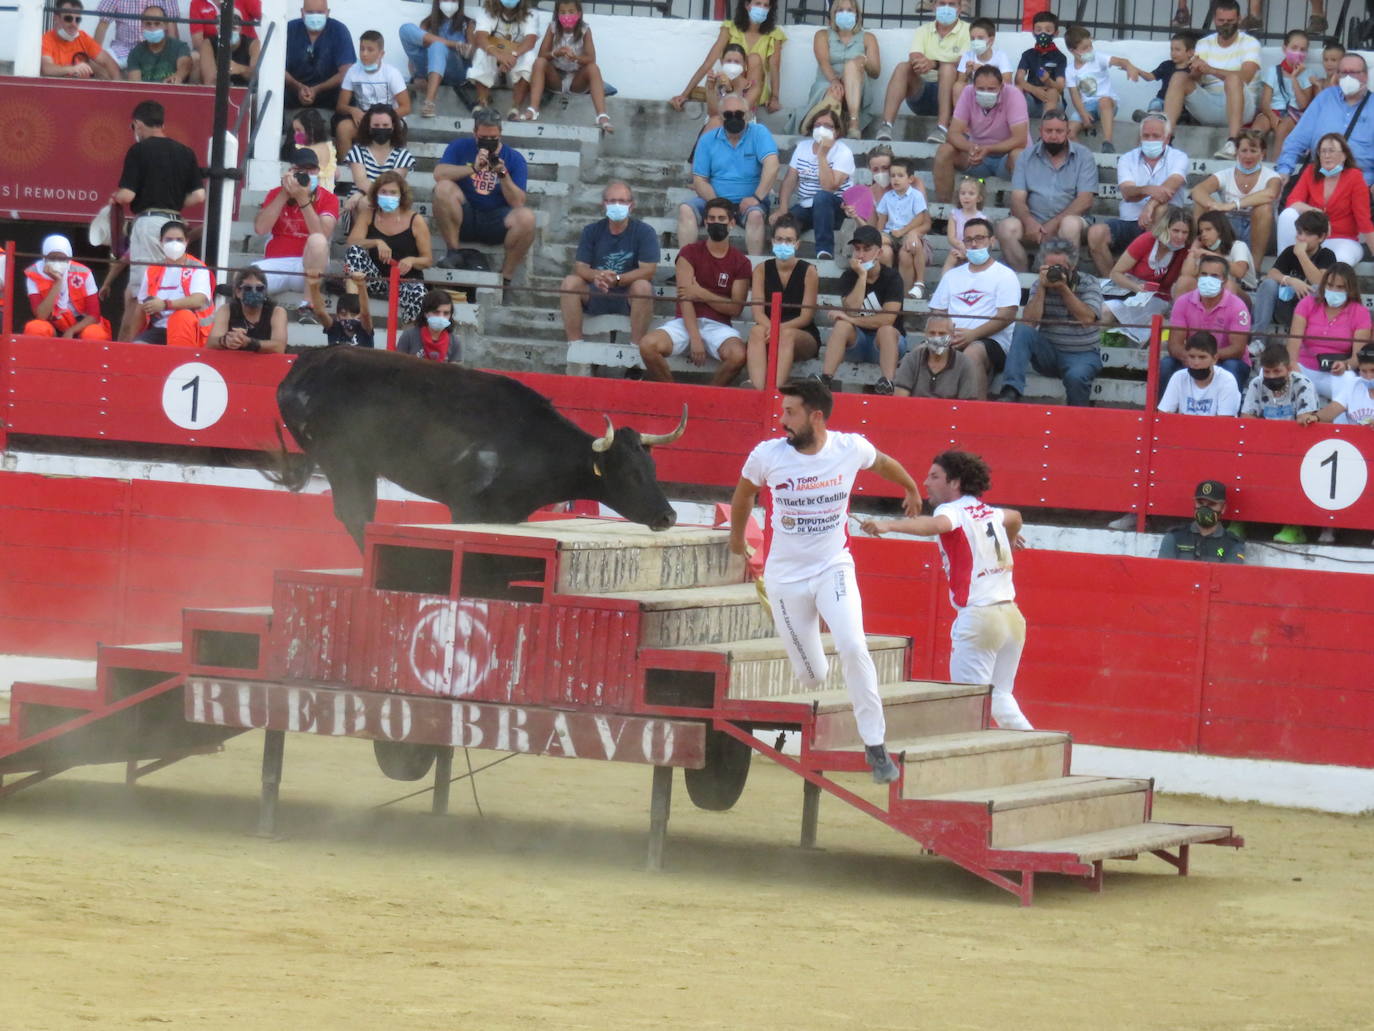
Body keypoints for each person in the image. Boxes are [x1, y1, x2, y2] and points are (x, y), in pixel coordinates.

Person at [730, 379, 922, 783]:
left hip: (833, 566)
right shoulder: (768, 455)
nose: (782, 420)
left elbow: (883, 462)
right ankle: (794, 630)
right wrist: (736, 540)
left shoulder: (848, 448)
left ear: (816, 416)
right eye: (783, 412)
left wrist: (910, 487)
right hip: (785, 578)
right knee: (812, 676)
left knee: (854, 645)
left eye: (791, 412)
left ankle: (876, 746)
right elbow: (744, 495)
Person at [861, 449, 1034, 731]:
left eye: (934, 476)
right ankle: (1036, 751)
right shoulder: (988, 511)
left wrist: (888, 524)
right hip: (1012, 617)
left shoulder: (951, 511)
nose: (926, 483)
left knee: (967, 705)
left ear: (955, 483)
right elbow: (1014, 517)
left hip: (980, 619)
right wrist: (1009, 541)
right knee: (1000, 696)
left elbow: (937, 525)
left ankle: (970, 770)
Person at [111, 100, 205, 342]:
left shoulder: (138, 151)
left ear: (138, 124)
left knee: (139, 290)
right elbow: (198, 195)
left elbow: (128, 195)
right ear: (162, 123)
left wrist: (115, 199)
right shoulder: (186, 152)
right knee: (167, 281)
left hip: (149, 221)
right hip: (175, 222)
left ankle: (129, 346)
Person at [639, 198, 751, 385]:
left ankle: (707, 399)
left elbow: (735, 309)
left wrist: (701, 293)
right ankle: (673, 396)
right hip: (684, 321)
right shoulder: (689, 253)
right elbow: (686, 299)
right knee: (647, 345)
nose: (716, 222)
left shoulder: (741, 262)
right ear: (705, 222)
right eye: (712, 218)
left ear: (732, 223)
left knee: (738, 355)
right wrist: (695, 338)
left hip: (719, 326)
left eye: (722, 219)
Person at [432, 107, 536, 292]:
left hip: (497, 218)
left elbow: (518, 202)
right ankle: (453, 252)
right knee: (443, 189)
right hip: (466, 214)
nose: (488, 141)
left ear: (500, 134)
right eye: (483, 137)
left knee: (527, 217)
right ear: (475, 133)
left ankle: (506, 277)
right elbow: (439, 174)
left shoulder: (514, 158)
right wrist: (473, 168)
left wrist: (503, 174)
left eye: (493, 137)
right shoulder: (460, 147)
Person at [998, 236, 1103, 406]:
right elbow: (1030, 322)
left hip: (1081, 354)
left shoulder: (1088, 282)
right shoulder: (1039, 284)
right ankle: (1011, 390)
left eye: (1059, 267)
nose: (1054, 272)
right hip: (1049, 353)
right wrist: (1041, 288)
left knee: (1076, 377)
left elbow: (1087, 318)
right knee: (1022, 330)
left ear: (1072, 266)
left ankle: (1077, 420)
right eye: (1050, 267)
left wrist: (1063, 288)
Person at [560, 180, 660, 356]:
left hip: (628, 295)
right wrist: (598, 276)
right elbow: (581, 267)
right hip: (596, 291)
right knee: (570, 283)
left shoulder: (645, 232)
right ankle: (575, 347)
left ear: (632, 205)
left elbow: (648, 270)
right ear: (604, 204)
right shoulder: (591, 231)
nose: (617, 205)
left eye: (622, 201)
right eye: (612, 201)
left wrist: (618, 280)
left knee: (643, 286)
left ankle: (635, 351)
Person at [995, 110, 1099, 272]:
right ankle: (1023, 281)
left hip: (1072, 222)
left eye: (1059, 131)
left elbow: (1085, 200)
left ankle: (1065, 278)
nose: (1053, 136)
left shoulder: (1083, 156)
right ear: (1041, 132)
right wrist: (1029, 222)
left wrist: (1053, 224)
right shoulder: (1025, 156)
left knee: (1069, 224)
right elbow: (1017, 199)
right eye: (1048, 131)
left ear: (1068, 132)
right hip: (1033, 224)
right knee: (1006, 227)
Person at [1085, 112, 1187, 275]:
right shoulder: (1127, 158)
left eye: (1156, 136)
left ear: (1167, 138)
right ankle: (1113, 280)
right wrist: (1147, 189)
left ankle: (1145, 278)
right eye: (1146, 136)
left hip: (1164, 223)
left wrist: (1149, 205)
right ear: (1140, 138)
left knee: (1160, 211)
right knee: (1096, 233)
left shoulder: (1178, 157)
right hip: (1129, 221)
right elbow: (1127, 192)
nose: (1150, 140)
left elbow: (1171, 185)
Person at [929, 216, 1018, 398]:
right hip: (952, 336)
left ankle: (977, 414)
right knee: (920, 353)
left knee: (973, 353)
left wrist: (973, 335)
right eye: (969, 240)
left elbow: (1007, 315)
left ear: (992, 241)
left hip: (992, 341)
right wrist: (947, 333)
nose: (974, 244)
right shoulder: (952, 276)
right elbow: (937, 312)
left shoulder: (1005, 275)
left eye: (979, 238)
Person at [1162, 0, 1261, 160]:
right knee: (1179, 77)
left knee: (1233, 79)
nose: (1225, 25)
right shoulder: (1204, 43)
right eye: (1221, 21)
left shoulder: (1250, 43)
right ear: (1215, 19)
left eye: (1230, 21)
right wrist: (1195, 71)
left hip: (1242, 107)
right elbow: (1196, 81)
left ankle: (1233, 143)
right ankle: (1166, 139)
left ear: (1239, 19)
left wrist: (1211, 70)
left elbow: (1246, 77)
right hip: (1210, 104)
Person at [680, 96, 778, 256]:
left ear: (747, 115)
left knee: (755, 215)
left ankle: (755, 270)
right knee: (685, 210)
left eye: (739, 114)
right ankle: (684, 265)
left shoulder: (759, 133)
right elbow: (699, 180)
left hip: (750, 202)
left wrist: (756, 198)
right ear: (720, 117)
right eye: (728, 114)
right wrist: (717, 204)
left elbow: (772, 165)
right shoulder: (707, 140)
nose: (734, 118)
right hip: (714, 200)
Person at [818, 225, 906, 393]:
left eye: (866, 249)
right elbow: (852, 309)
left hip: (886, 345)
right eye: (857, 249)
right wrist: (862, 276)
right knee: (841, 326)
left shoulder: (893, 278)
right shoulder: (848, 276)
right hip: (858, 343)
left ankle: (888, 383)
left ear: (879, 253)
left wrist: (850, 319)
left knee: (886, 330)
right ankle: (826, 379)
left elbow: (887, 320)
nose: (860, 255)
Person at [345, 171, 433, 326]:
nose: (388, 196)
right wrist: (376, 242)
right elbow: (352, 242)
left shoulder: (416, 220)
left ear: (401, 195)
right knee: (354, 252)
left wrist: (412, 260)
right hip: (376, 278)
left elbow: (427, 260)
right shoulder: (369, 214)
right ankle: (352, 312)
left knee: (418, 293)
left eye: (393, 193)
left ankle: (411, 340)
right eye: (384, 192)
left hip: (405, 280)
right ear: (376, 193)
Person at [671, 0, 787, 117]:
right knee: (731, 61)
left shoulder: (774, 34)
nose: (762, 8)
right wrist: (685, 94)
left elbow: (774, 67)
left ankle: (743, 109)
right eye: (757, 3)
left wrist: (775, 98)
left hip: (754, 92)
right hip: (729, 87)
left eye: (766, 5)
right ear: (747, 5)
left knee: (754, 59)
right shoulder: (730, 28)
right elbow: (709, 62)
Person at [932, 64, 1029, 202]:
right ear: (974, 87)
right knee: (944, 150)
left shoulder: (1014, 95)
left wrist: (988, 149)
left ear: (1001, 87)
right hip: (976, 156)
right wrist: (970, 148)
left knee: (1018, 155)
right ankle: (942, 211)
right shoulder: (967, 92)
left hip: (1006, 159)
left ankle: (1022, 213)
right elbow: (953, 133)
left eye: (991, 89)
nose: (986, 92)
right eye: (981, 89)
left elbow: (1020, 139)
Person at [1100, 205, 1193, 346]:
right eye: (1175, 231)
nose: (1180, 237)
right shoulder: (1147, 241)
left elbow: (1184, 281)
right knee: (1106, 311)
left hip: (1159, 299)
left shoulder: (1185, 251)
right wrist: (1137, 287)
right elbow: (1115, 273)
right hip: (1130, 292)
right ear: (1165, 228)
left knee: (1158, 324)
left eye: (1185, 232)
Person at [1277, 53, 1374, 189]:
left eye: (1353, 72)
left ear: (1365, 76)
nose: (1347, 77)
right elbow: (1298, 138)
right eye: (1343, 72)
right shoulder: (1325, 98)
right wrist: (1284, 170)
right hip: (1318, 180)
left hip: (1359, 186)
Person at [253, 148, 340, 300]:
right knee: (245, 278)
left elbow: (322, 234)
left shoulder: (329, 199)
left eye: (310, 170)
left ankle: (308, 305)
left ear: (318, 171)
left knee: (318, 241)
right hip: (276, 263)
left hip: (308, 265)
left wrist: (302, 199)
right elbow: (261, 228)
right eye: (300, 170)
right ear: (291, 171)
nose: (306, 174)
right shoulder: (276, 193)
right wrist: (284, 194)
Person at [875, 4, 969, 143]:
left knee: (948, 69)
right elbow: (915, 55)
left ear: (960, 8)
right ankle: (886, 126)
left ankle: (942, 128)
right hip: (922, 93)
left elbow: (964, 63)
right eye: (942, 3)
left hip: (951, 98)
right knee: (903, 67)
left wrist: (934, 63)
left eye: (952, 4)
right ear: (934, 6)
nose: (946, 7)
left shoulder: (968, 30)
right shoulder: (923, 30)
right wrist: (918, 63)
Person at [745, 214, 819, 390]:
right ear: (772, 241)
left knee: (786, 336)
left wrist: (778, 330)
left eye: (789, 240)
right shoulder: (761, 270)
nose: (783, 244)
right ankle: (758, 389)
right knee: (756, 331)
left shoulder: (809, 271)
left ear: (797, 244)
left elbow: (806, 317)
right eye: (779, 239)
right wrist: (772, 329)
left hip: (801, 333)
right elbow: (758, 312)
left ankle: (775, 391)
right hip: (768, 328)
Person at [1278, 132, 1374, 266]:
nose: (1327, 156)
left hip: (1343, 239)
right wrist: (1317, 212)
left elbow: (1363, 219)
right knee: (1287, 214)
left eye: (1331, 151)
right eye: (1323, 151)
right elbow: (1292, 202)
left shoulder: (1355, 177)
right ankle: (1285, 268)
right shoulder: (1311, 171)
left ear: (1344, 156)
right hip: (1312, 238)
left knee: (1336, 266)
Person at [1188, 129, 1280, 264]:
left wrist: (1233, 204)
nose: (1248, 156)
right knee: (1200, 203)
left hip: (1260, 230)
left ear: (1262, 154)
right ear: (1237, 152)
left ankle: (1255, 268)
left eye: (1253, 151)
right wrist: (1213, 205)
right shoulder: (1226, 174)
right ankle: (1197, 256)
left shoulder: (1271, 176)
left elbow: (1270, 194)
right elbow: (1197, 190)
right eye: (1244, 150)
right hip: (1230, 226)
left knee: (1264, 209)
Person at [774, 105, 853, 263]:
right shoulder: (802, 148)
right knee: (785, 222)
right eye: (818, 125)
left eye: (827, 126)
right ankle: (783, 252)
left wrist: (822, 155)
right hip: (807, 206)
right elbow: (790, 179)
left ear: (836, 131)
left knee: (822, 197)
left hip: (835, 208)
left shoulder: (843, 152)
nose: (821, 129)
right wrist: (782, 209)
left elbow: (829, 187)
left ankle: (824, 250)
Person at [1164, 254, 1252, 389]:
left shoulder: (1237, 306)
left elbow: (1237, 349)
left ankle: (1228, 410)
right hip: (1192, 359)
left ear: (1224, 280)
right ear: (1198, 276)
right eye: (1204, 274)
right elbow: (1174, 345)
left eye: (1214, 276)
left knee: (1232, 366)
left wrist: (1207, 358)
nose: (1208, 279)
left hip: (1224, 361)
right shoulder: (1183, 302)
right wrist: (1194, 358)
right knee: (1166, 364)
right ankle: (1162, 410)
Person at [1287, 262, 1371, 401]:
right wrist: (1294, 368)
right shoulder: (1307, 303)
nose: (1333, 291)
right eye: (1330, 286)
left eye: (1340, 287)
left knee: (1351, 384)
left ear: (1350, 289)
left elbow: (1358, 358)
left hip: (1335, 373)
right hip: (1304, 368)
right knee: (1271, 373)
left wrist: (1345, 365)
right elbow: (1293, 344)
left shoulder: (1360, 312)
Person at [525, 0, 613, 132]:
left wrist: (576, 58)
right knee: (539, 63)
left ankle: (602, 116)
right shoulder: (553, 28)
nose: (567, 16)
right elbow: (542, 55)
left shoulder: (585, 30)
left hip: (576, 81)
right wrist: (556, 53)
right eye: (563, 12)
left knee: (593, 68)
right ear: (557, 14)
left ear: (579, 13)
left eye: (571, 12)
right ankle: (533, 110)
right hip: (556, 78)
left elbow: (591, 58)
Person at [803, 0, 880, 139]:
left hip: (857, 85)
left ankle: (853, 123)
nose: (845, 13)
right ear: (833, 14)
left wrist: (863, 61)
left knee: (851, 66)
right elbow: (823, 62)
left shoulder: (868, 38)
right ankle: (834, 128)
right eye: (840, 10)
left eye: (850, 10)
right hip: (828, 80)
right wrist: (835, 81)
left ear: (857, 14)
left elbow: (875, 73)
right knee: (833, 91)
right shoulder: (822, 35)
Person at [1252, 209, 1334, 337]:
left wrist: (1301, 255)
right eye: (1299, 233)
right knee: (1268, 284)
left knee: (1317, 289)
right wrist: (1291, 281)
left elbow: (1320, 282)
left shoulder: (1327, 255)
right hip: (1285, 308)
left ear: (1322, 237)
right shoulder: (1290, 251)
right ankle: (1258, 339)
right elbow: (1271, 274)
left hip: (1310, 315)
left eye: (1307, 234)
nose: (1301, 238)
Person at [134, 220, 215, 347]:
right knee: (138, 348)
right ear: (161, 242)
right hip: (159, 329)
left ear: (186, 241)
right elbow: (140, 307)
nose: (174, 244)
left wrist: (164, 305)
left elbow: (198, 300)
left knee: (181, 318)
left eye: (179, 239)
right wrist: (130, 340)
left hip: (193, 330)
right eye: (169, 240)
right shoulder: (152, 269)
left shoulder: (197, 267)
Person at [335, 30, 411, 155]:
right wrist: (352, 110)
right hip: (364, 120)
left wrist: (381, 117)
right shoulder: (353, 71)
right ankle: (347, 169)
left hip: (389, 121)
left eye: (370, 50)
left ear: (381, 54)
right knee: (343, 128)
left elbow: (406, 108)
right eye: (361, 49)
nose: (364, 54)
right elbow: (340, 106)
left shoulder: (392, 73)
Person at [22, 235, 111, 340]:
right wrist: (57, 282)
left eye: (62, 258)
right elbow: (41, 315)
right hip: (52, 326)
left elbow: (94, 316)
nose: (57, 262)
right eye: (52, 258)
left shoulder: (84, 273)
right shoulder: (34, 273)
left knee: (94, 333)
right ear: (44, 257)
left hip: (80, 326)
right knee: (35, 328)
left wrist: (71, 331)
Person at [400, 0, 474, 119]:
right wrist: (416, 76)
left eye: (453, 0)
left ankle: (429, 102)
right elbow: (414, 56)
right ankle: (451, 43)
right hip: (427, 69)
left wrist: (466, 51)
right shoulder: (427, 23)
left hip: (454, 71)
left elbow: (472, 53)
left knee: (437, 45)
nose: (449, 3)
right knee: (405, 29)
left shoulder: (467, 23)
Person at [342, 104, 415, 222]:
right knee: (366, 202)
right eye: (376, 125)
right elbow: (361, 182)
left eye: (385, 125)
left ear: (393, 127)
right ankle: (362, 237)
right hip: (359, 203)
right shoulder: (358, 150)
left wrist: (360, 194)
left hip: (390, 198)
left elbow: (391, 184)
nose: (381, 128)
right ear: (369, 127)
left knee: (368, 200)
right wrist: (361, 193)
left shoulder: (403, 156)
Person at [468, 0, 539, 114]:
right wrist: (500, 56)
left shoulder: (531, 14)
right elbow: (481, 38)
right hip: (493, 71)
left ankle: (515, 107)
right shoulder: (485, 11)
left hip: (513, 70)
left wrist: (512, 56)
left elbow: (530, 40)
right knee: (481, 52)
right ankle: (482, 101)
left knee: (529, 56)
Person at [284, 0, 356, 113]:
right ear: (302, 13)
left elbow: (347, 71)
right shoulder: (289, 29)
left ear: (328, 12)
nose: (315, 16)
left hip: (330, 103)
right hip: (291, 101)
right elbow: (276, 66)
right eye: (310, 12)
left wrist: (317, 90)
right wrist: (298, 87)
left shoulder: (339, 31)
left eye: (320, 12)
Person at [1252, 30, 1314, 156]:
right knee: (1256, 130)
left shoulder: (1308, 74)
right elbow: (1265, 103)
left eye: (1302, 49)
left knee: (1282, 129)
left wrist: (1294, 78)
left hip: (1294, 114)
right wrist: (1272, 116)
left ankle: (1276, 167)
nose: (1298, 52)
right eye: (1294, 48)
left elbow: (1303, 105)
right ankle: (1252, 164)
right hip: (1273, 111)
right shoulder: (1273, 71)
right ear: (1285, 48)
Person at [873, 158, 930, 295]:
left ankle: (918, 284)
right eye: (892, 176)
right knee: (878, 245)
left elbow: (920, 218)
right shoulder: (887, 197)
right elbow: (882, 219)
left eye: (900, 176)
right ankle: (883, 285)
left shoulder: (916, 196)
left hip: (906, 233)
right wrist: (877, 236)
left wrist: (904, 231)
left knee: (913, 246)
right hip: (890, 233)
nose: (895, 179)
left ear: (910, 179)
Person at [893, 315, 979, 399]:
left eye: (942, 334)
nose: (936, 337)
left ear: (952, 336)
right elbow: (900, 400)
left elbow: (967, 406)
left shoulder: (965, 364)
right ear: (925, 334)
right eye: (932, 333)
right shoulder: (912, 359)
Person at [1158, 480, 1245, 563]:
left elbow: (1229, 577)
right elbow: (1163, 573)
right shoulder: (1174, 537)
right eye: (1200, 503)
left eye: (1212, 504)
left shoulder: (1233, 544)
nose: (1204, 509)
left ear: (1223, 508)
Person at [1159, 330, 1242, 416]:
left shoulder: (1227, 380)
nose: (1196, 362)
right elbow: (1163, 415)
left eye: (1202, 357)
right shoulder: (1178, 377)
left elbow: (1225, 422)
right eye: (1192, 357)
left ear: (1215, 359)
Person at [207, 266, 287, 353]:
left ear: (265, 291)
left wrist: (249, 343)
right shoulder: (226, 310)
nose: (254, 292)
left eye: (259, 288)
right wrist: (226, 340)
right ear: (238, 292)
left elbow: (279, 347)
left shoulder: (277, 312)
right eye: (248, 288)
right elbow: (211, 343)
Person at [1063, 25, 1118, 151]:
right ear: (1072, 50)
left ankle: (1107, 142)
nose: (1089, 50)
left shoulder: (1098, 58)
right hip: (1086, 107)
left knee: (1104, 101)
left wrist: (1130, 68)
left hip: (1107, 104)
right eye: (1084, 48)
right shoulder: (1070, 70)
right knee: (1068, 133)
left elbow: (1121, 61)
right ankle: (1086, 158)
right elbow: (1074, 95)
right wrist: (1083, 114)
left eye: (1090, 46)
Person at [1121, 30, 1195, 121]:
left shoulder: (1193, 69)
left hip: (1180, 104)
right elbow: (1149, 77)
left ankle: (1156, 118)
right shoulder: (1166, 65)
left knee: (1184, 112)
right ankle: (1153, 117)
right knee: (1155, 103)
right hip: (1162, 100)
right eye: (1171, 49)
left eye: (1177, 50)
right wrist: (1136, 70)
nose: (1173, 53)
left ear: (1190, 52)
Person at [1180, 210, 1257, 295]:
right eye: (1201, 231)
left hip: (1244, 293)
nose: (1203, 234)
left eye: (1208, 229)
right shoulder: (1203, 251)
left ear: (1220, 230)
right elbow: (1186, 275)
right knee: (1184, 281)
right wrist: (1193, 249)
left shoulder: (1238, 246)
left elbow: (1239, 272)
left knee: (1226, 284)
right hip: (1210, 293)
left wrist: (1211, 255)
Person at [188, 0, 262, 85]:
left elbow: (259, 76)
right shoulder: (208, 44)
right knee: (196, 65)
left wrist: (240, 69)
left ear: (241, 28)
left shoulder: (253, 44)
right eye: (223, 28)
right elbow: (210, 81)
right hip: (220, 90)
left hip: (246, 92)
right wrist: (222, 71)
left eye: (233, 27)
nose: (228, 32)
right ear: (217, 29)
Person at [41, 0, 120, 80]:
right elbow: (47, 68)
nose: (74, 24)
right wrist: (73, 69)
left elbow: (109, 62)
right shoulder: (47, 39)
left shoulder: (82, 37)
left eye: (78, 20)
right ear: (56, 18)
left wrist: (118, 88)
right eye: (68, 18)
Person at [1242, 342, 1319, 420]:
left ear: (1289, 369)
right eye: (1267, 372)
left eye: (1277, 371)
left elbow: (1304, 419)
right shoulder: (1256, 384)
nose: (1271, 376)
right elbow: (1247, 418)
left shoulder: (1303, 384)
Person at [1301, 345, 1374, 427]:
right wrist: (1315, 417)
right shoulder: (1353, 385)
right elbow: (1335, 407)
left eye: (1373, 371)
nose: (1369, 376)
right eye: (1364, 371)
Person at [95, 0, 181, 69]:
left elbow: (172, 28)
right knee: (100, 63)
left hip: (157, 49)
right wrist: (94, 54)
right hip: (124, 49)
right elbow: (103, 24)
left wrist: (172, 56)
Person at [306, 268, 374, 347]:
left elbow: (365, 314)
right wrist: (313, 285)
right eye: (344, 314)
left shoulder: (364, 329)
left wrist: (361, 286)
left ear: (360, 315)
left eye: (353, 314)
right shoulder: (334, 328)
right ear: (337, 315)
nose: (348, 317)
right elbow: (320, 313)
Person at [1014, 10, 1065, 118]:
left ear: (1055, 33)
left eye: (1048, 30)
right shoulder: (1028, 54)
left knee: (1053, 92)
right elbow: (1018, 80)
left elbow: (1060, 87)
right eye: (1038, 30)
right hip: (1030, 101)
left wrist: (1048, 81)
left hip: (1053, 104)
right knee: (1017, 90)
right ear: (1033, 32)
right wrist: (1035, 90)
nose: (1043, 34)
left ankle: (1046, 129)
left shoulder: (1060, 57)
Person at [125, 5, 192, 83]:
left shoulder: (180, 46)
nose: (152, 28)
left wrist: (178, 76)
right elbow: (135, 84)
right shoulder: (135, 53)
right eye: (148, 24)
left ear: (166, 25)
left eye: (157, 23)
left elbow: (184, 64)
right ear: (142, 26)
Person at [397, 288, 462, 361]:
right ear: (425, 313)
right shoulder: (408, 337)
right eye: (436, 312)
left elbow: (455, 371)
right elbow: (399, 365)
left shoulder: (455, 342)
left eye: (446, 313)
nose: (441, 317)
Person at [952, 17, 1011, 95]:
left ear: (991, 40)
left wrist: (983, 69)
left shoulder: (1001, 56)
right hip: (974, 93)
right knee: (958, 86)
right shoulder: (967, 56)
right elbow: (960, 82)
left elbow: (1008, 83)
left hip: (994, 94)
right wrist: (967, 73)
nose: (975, 41)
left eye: (980, 38)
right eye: (972, 38)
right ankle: (961, 108)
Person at [940, 174, 985, 273]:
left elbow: (982, 242)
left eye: (971, 194)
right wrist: (962, 248)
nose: (966, 197)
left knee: (976, 260)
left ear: (979, 198)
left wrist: (968, 253)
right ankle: (944, 285)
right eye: (963, 193)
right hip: (957, 249)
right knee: (952, 257)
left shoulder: (982, 219)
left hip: (974, 251)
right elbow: (951, 238)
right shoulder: (954, 214)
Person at [290, 109, 338, 193]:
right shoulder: (328, 147)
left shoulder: (306, 151)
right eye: (294, 131)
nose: (295, 134)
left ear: (311, 129)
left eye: (298, 130)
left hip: (313, 195)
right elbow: (337, 174)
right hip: (328, 194)